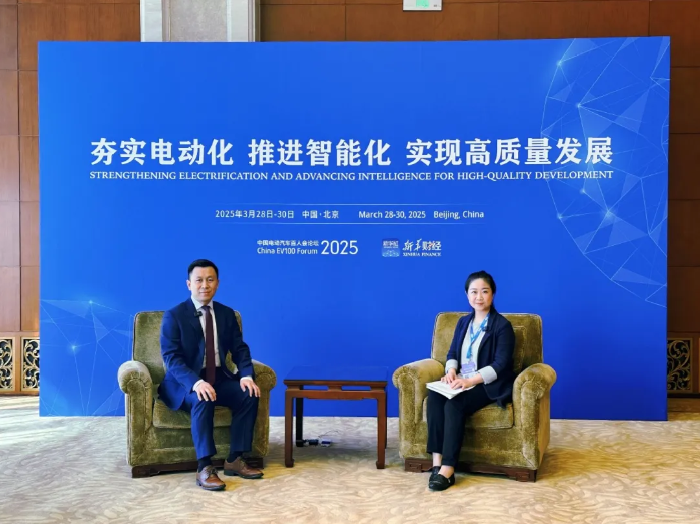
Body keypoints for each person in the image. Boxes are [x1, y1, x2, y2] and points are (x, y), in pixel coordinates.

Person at [158, 259, 263, 491]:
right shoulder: (174, 316)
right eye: (199, 280)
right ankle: (204, 467)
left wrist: (246, 375)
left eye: (210, 280)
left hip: (217, 377)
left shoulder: (226, 314)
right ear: (189, 284)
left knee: (248, 393)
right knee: (203, 396)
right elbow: (171, 358)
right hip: (185, 383)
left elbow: (240, 349)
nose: (204, 285)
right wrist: (196, 382)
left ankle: (235, 459)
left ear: (217, 283)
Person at [426, 270, 516, 491]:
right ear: (467, 295)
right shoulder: (463, 323)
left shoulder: (502, 326)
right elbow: (452, 353)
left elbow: (500, 364)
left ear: (492, 294)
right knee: (435, 396)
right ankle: (436, 464)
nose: (479, 297)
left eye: (484, 291)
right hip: (462, 379)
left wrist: (470, 382)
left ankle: (448, 469)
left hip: (487, 384)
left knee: (454, 404)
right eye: (474, 292)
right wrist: (451, 371)